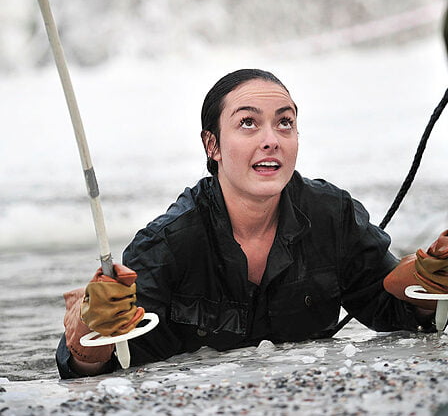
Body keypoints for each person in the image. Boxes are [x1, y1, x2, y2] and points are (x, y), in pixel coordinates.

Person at [56, 69, 447, 379]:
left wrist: (429, 286)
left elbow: (395, 312)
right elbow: (98, 369)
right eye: (247, 123)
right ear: (213, 146)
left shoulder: (333, 215)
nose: (271, 139)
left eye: (285, 123)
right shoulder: (171, 242)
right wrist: (91, 338)